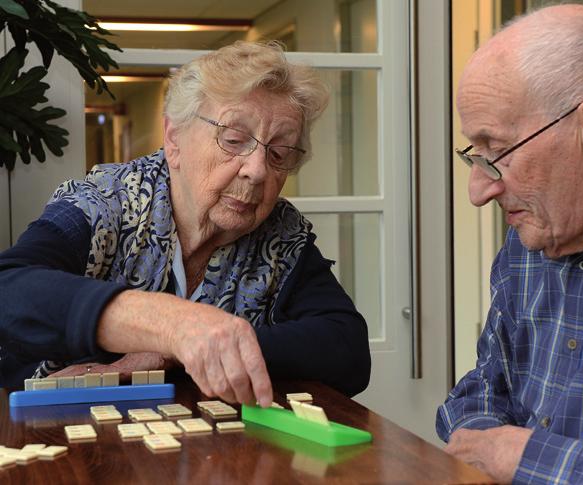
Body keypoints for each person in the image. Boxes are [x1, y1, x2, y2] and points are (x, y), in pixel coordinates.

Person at [0, 41, 371, 405]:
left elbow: (348, 351)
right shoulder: (104, 203)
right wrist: (172, 325)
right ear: (174, 140)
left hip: (211, 452)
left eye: (278, 153)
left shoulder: (281, 235)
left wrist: (179, 352)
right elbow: (10, 290)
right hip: (63, 438)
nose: (257, 171)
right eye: (234, 139)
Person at [437, 4, 583, 484]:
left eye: (496, 151)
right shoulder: (533, 238)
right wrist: (485, 440)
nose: (478, 190)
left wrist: (525, 460)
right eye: (474, 154)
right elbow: (485, 385)